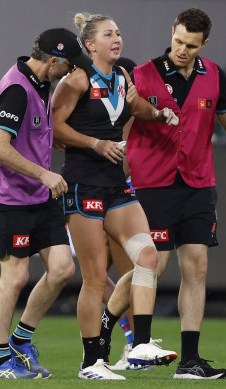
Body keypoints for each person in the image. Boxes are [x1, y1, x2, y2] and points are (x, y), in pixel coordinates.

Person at [103, 8, 226, 380]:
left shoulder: (214, 76)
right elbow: (124, 136)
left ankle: (190, 361)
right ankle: (103, 334)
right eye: (178, 41)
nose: (182, 49)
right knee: (154, 266)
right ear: (172, 33)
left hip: (198, 185)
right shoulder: (142, 76)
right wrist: (114, 187)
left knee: (197, 268)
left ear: (203, 44)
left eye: (190, 45)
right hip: (152, 185)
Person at [52, 12, 179, 380]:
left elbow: (133, 104)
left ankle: (140, 344)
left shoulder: (122, 77)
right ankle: (91, 363)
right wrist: (95, 143)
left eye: (119, 33)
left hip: (115, 184)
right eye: (109, 34)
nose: (117, 39)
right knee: (94, 278)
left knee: (148, 255)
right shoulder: (75, 79)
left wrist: (157, 114)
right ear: (90, 44)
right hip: (83, 185)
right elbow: (55, 126)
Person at [0, 27, 92, 379]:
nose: (73, 71)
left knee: (61, 268)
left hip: (38, 194)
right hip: (9, 196)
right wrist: (43, 174)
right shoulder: (16, 88)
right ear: (53, 61)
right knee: (14, 278)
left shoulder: (42, 83)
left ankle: (21, 340)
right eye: (70, 66)